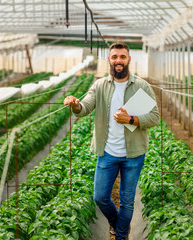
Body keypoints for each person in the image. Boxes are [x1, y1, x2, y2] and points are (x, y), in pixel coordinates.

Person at [63, 42, 159, 240]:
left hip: (133, 154)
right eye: (114, 57)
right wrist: (75, 104)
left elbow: (155, 117)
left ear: (129, 60)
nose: (118, 61)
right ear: (109, 59)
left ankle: (121, 236)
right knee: (100, 197)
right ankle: (117, 224)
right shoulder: (100, 86)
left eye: (122, 57)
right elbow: (85, 107)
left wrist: (131, 119)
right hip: (107, 152)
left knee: (127, 201)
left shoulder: (141, 86)